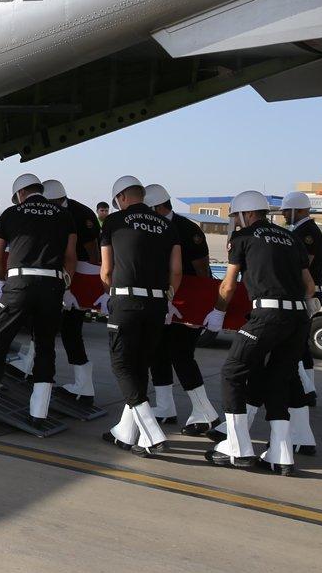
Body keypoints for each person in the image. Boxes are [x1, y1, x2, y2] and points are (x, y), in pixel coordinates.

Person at [204, 191, 316, 476]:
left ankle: (238, 447)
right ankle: (281, 454)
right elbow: (310, 287)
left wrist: (217, 313)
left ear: (246, 214)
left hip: (267, 315)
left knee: (232, 371)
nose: (235, 222)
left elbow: (228, 286)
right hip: (298, 318)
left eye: (235, 216)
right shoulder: (291, 238)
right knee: (278, 379)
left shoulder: (243, 238)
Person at [0, 173, 76, 433]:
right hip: (52, 286)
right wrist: (64, 284)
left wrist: (4, 279)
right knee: (45, 347)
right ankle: (38, 414)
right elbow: (70, 257)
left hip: (20, 284)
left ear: (20, 194)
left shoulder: (12, 213)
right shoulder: (63, 215)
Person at [99, 175, 181, 457]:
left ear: (121, 198)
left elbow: (106, 271)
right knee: (140, 365)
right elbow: (177, 271)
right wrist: (167, 296)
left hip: (126, 301)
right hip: (158, 304)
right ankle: (126, 431)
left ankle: (152, 433)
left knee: (122, 364)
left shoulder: (113, 221)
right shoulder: (166, 225)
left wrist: (111, 293)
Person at [143, 183, 221, 435]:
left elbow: (202, 270)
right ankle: (165, 407)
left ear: (157, 206)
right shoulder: (149, 225)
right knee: (157, 352)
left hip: (186, 301)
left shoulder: (187, 229)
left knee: (181, 354)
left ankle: (205, 412)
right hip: (162, 299)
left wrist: (201, 308)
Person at [41, 179, 101, 405]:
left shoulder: (80, 213)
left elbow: (92, 254)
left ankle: (83, 386)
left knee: (70, 331)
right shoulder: (49, 210)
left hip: (77, 280)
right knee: (44, 325)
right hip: (54, 276)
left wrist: (85, 290)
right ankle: (32, 366)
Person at [279, 190, 322, 454]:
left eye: (287, 210)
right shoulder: (304, 230)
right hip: (306, 291)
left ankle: (306, 390)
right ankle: (308, 389)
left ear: (298, 210)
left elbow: (302, 264)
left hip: (305, 292)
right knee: (302, 345)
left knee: (296, 344)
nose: (284, 215)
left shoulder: (306, 233)